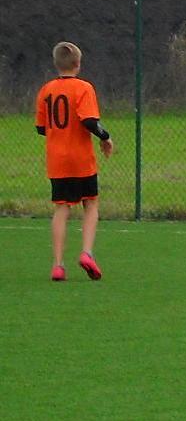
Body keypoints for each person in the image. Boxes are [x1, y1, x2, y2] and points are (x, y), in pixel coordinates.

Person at [35, 42, 113, 281]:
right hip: (80, 159)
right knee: (91, 203)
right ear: (78, 64)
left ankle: (58, 265)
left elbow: (41, 128)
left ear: (56, 64)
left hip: (57, 160)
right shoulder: (83, 88)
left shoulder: (46, 90)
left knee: (62, 208)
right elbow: (89, 121)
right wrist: (106, 137)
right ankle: (86, 253)